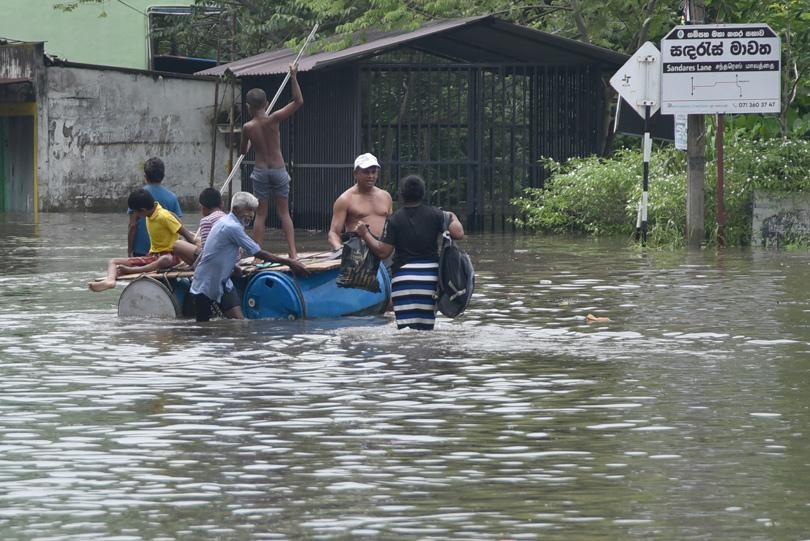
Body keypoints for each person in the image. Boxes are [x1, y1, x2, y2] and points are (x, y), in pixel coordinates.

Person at [356, 174, 464, 331]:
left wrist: (365, 234)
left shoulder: (394, 220)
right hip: (430, 281)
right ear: (423, 194)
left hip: (403, 281)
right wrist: (451, 216)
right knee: (426, 331)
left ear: (400, 195)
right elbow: (458, 233)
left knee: (406, 332)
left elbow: (383, 252)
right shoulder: (436, 215)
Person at [189, 191, 309, 322]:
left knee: (239, 323)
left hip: (223, 283)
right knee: (203, 330)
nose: (252, 215)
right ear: (235, 210)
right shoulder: (231, 226)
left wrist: (233, 267)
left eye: (253, 211)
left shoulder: (226, 222)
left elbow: (220, 252)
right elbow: (258, 253)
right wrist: (290, 262)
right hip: (206, 285)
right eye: (248, 210)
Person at [241, 64, 302, 259]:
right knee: (284, 213)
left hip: (260, 171)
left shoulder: (247, 127)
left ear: (248, 107)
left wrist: (250, 143)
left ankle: (258, 255)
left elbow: (242, 150)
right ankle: (293, 253)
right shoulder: (274, 118)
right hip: (278, 169)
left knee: (260, 214)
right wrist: (293, 77)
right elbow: (298, 101)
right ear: (267, 103)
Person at [90, 188, 195, 292]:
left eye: (136, 212)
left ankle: (132, 270)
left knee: (164, 260)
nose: (136, 215)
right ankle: (110, 281)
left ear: (143, 210)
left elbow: (187, 235)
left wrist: (195, 254)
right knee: (113, 261)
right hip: (153, 257)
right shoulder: (150, 215)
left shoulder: (164, 216)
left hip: (171, 257)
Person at [328, 152, 393, 251]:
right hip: (359, 253)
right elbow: (333, 233)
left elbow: (392, 228)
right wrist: (339, 249)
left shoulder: (386, 196)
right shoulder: (345, 199)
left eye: (374, 172)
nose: (371, 176)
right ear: (355, 173)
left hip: (384, 251)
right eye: (366, 172)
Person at [129, 157, 183, 257]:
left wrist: (129, 253)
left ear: (145, 176)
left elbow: (132, 226)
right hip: (167, 253)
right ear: (163, 176)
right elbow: (178, 225)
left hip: (141, 251)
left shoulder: (137, 197)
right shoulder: (172, 197)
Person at [173, 187, 226, 267]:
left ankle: (198, 268)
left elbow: (206, 252)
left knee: (177, 244)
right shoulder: (227, 217)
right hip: (231, 258)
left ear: (202, 206)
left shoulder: (206, 221)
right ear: (221, 204)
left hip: (215, 262)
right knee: (195, 237)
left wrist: (194, 243)